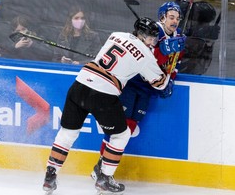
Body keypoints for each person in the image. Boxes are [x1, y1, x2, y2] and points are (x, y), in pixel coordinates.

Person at [43, 17, 173, 194]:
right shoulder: (146, 55)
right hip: (103, 93)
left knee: (67, 132)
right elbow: (160, 84)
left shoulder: (115, 35)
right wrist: (167, 82)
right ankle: (104, 178)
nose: (153, 41)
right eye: (151, 38)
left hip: (79, 85)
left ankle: (50, 175)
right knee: (121, 135)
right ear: (143, 36)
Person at [90, 1, 186, 181]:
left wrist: (169, 80)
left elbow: (175, 63)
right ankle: (101, 168)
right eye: (171, 17)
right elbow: (142, 57)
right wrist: (162, 49)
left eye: (177, 18)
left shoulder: (179, 37)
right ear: (162, 17)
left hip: (147, 89)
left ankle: (103, 169)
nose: (174, 21)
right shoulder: (153, 31)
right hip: (132, 82)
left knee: (132, 125)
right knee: (119, 128)